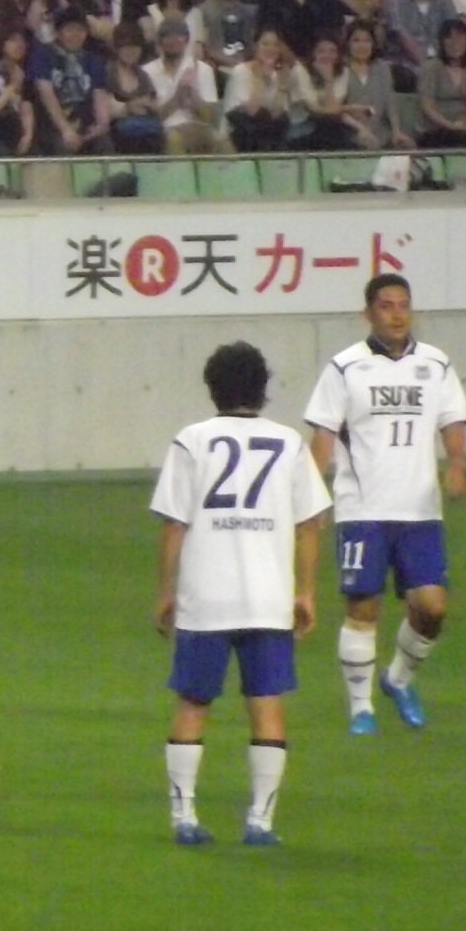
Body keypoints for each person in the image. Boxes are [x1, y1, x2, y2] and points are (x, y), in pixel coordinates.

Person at [151, 342, 332, 847]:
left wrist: (164, 591)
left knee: (193, 704)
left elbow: (173, 524)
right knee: (266, 704)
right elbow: (310, 523)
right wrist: (306, 591)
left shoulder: (192, 440)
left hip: (205, 598)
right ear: (263, 388)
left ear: (212, 388)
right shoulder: (288, 443)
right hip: (268, 598)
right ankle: (260, 822)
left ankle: (184, 818)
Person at [302, 273, 466, 733]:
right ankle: (362, 709)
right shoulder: (345, 367)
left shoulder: (435, 364)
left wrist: (457, 463)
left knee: (432, 607)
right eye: (386, 305)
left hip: (420, 510)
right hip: (362, 510)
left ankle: (398, 679)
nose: (397, 314)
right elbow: (322, 436)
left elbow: (452, 419)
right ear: (368, 313)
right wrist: (310, 495)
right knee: (363, 608)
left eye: (403, 305)